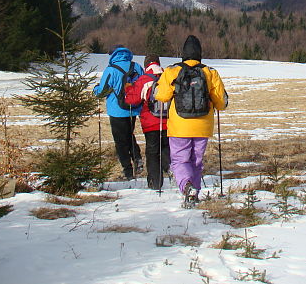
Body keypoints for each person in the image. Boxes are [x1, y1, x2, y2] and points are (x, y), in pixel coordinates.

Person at [155, 35, 228, 207]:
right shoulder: (210, 72)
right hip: (203, 125)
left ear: (183, 53)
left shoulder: (172, 71)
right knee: (196, 160)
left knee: (180, 160)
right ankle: (194, 192)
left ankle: (186, 186)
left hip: (179, 125)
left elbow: (162, 96)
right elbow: (221, 103)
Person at [93, 45, 144, 180]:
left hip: (117, 110)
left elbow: (102, 91)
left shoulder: (111, 70)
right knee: (129, 134)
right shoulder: (137, 67)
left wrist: (95, 89)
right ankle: (137, 158)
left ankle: (127, 171)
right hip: (133, 108)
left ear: (113, 55)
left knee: (120, 141)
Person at [124, 54, 170, 190]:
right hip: (169, 121)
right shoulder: (168, 76)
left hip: (150, 123)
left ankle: (155, 184)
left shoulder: (144, 79)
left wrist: (128, 88)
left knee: (152, 153)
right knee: (166, 149)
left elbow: (132, 100)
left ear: (146, 65)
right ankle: (171, 168)